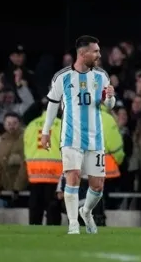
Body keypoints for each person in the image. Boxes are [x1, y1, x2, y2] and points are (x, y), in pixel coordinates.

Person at [40, 35, 116, 235]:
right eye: (96, 51)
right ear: (83, 53)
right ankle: (73, 224)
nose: (99, 55)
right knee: (72, 177)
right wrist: (45, 132)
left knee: (97, 186)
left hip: (95, 138)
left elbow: (108, 105)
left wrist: (110, 98)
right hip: (70, 137)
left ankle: (86, 211)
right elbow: (52, 104)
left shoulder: (101, 76)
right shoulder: (62, 76)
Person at [23, 106, 62, 226]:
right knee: (53, 208)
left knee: (35, 207)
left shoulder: (31, 125)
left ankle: (33, 232)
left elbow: (26, 147)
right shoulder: (62, 124)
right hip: (55, 173)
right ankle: (53, 234)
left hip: (35, 172)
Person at [96, 106, 125, 226]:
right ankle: (99, 219)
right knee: (101, 199)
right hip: (104, 168)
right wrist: (119, 160)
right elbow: (116, 147)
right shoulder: (107, 119)